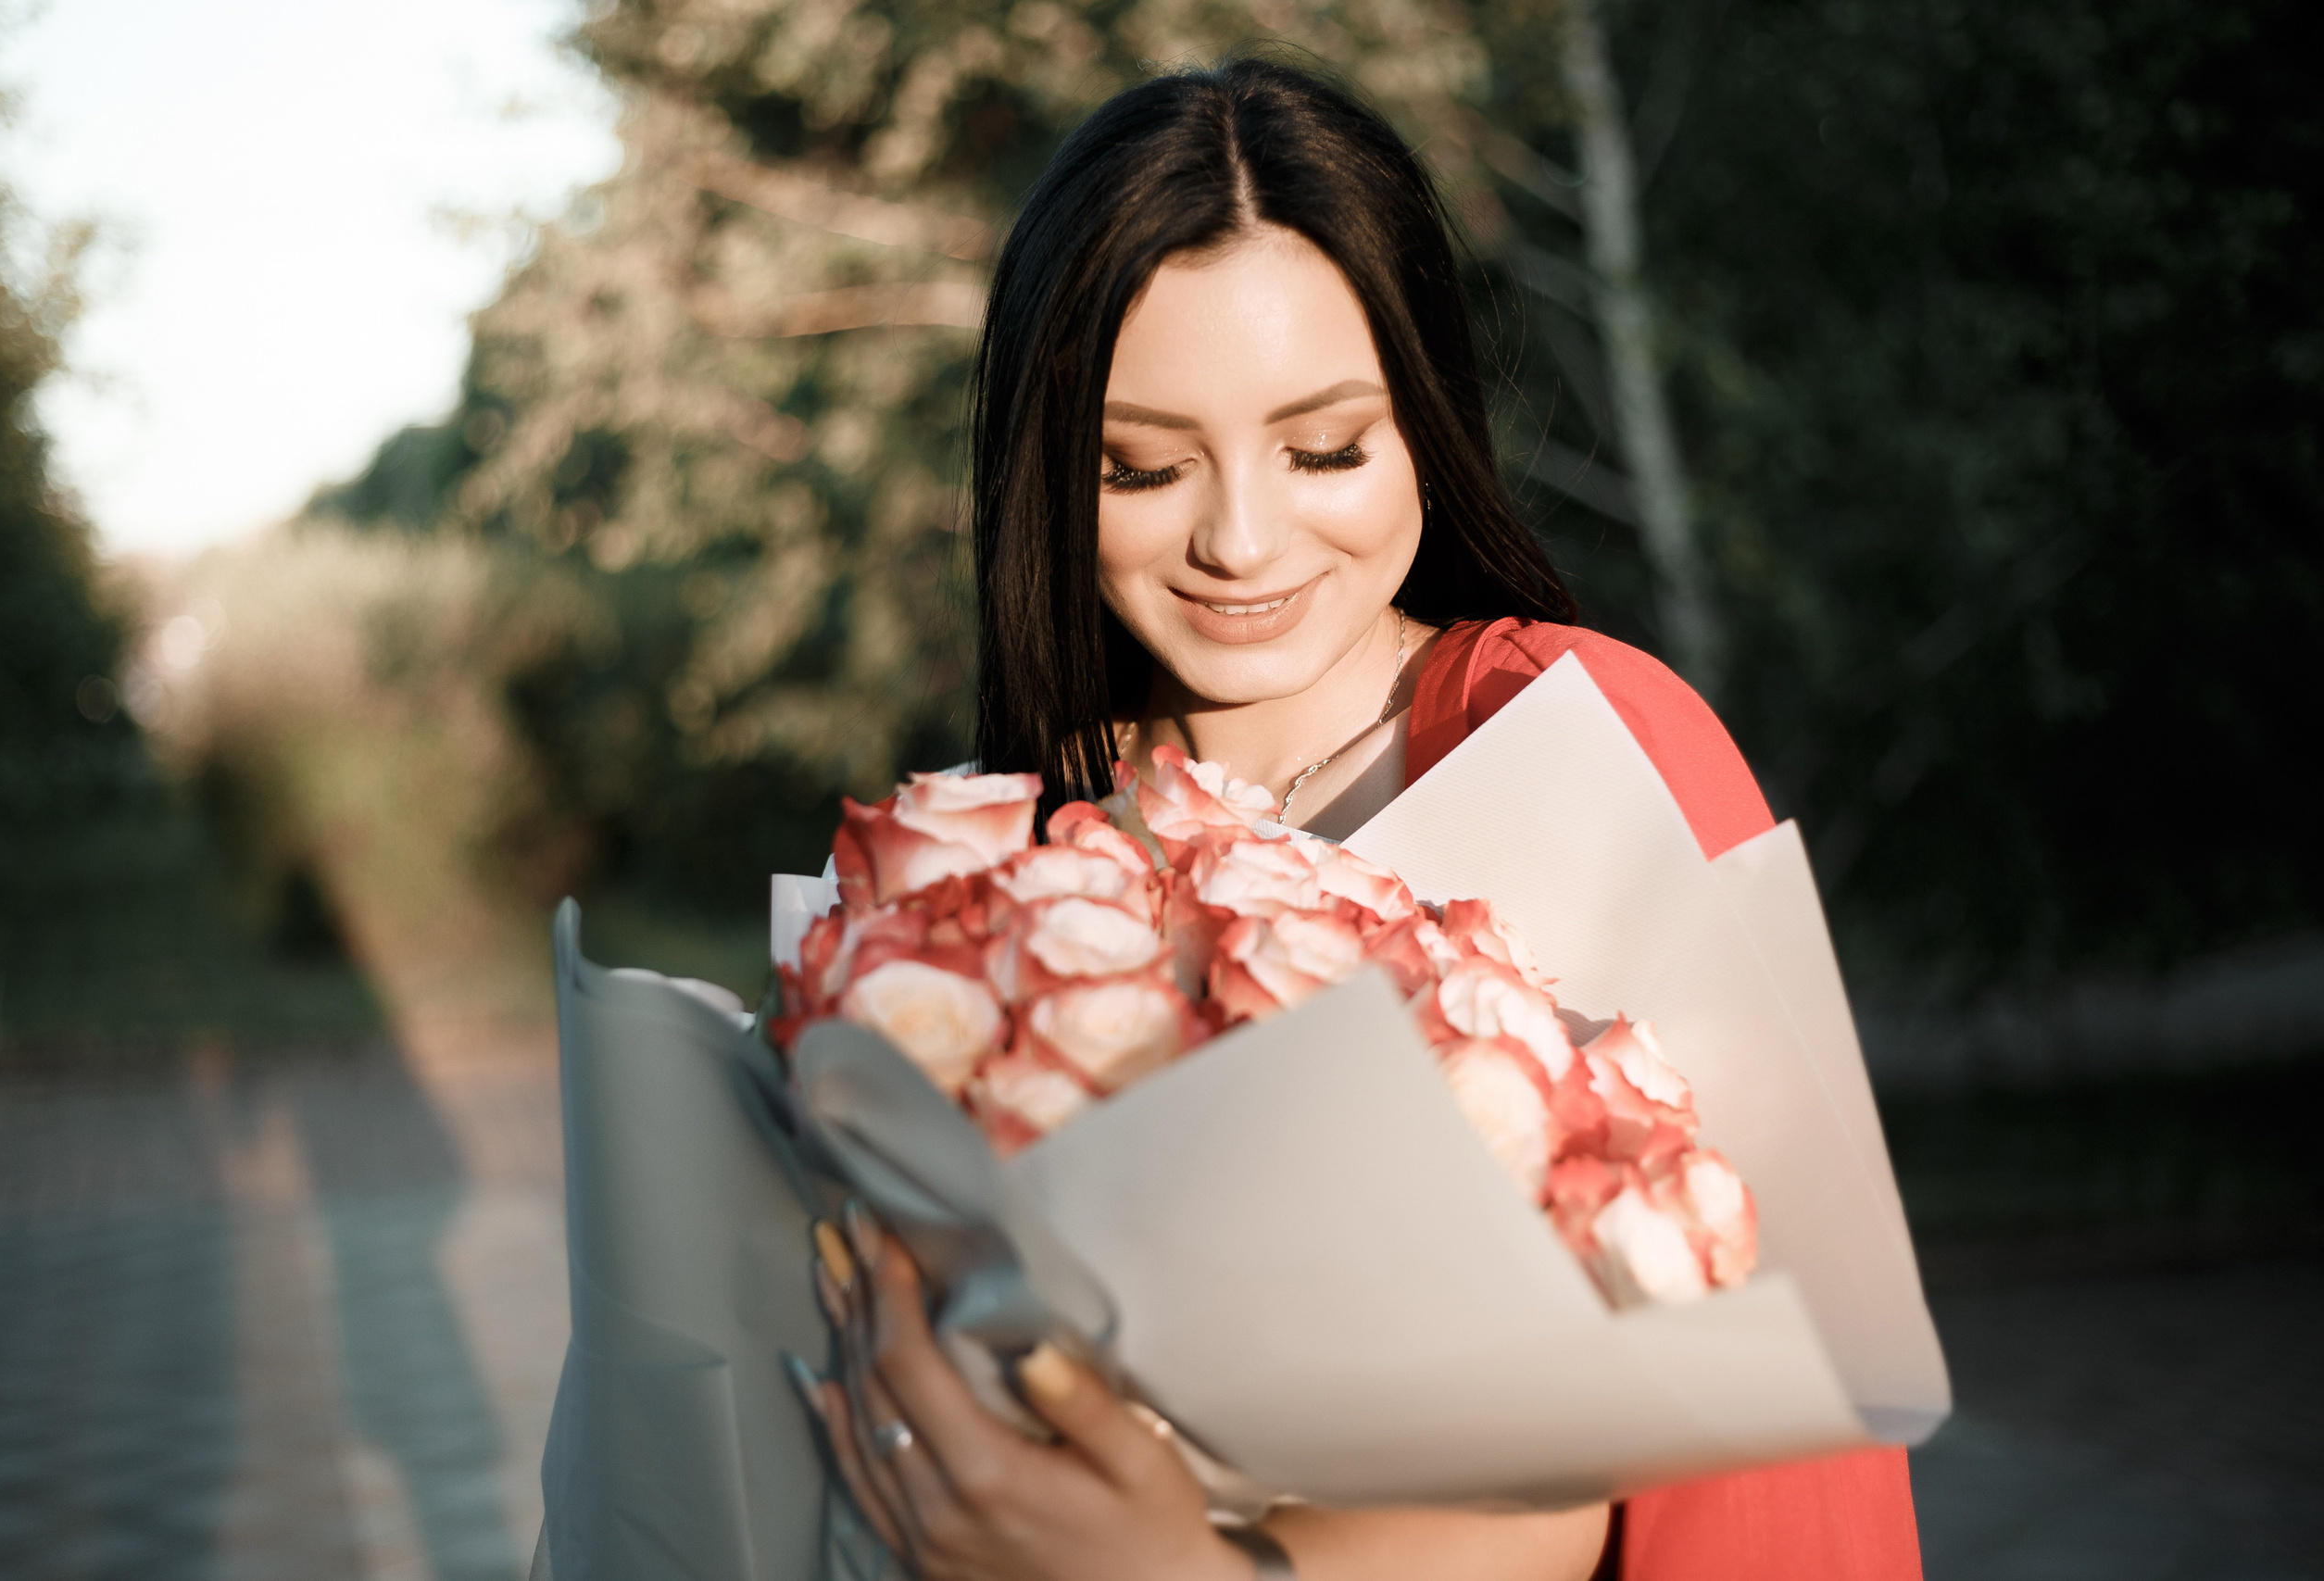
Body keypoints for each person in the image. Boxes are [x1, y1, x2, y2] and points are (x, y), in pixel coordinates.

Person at [794, 56, 1923, 1581]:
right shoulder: (1031, 859)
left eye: (1325, 447)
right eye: (1139, 464)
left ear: (1425, 424)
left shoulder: (1572, 734)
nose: (1241, 539)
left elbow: (1677, 1395)